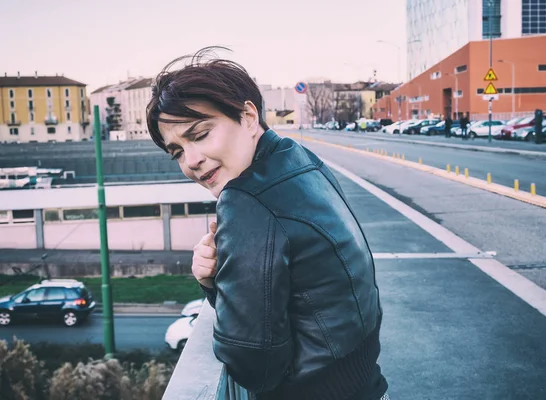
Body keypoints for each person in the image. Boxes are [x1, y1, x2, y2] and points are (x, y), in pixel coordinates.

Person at [146, 48, 388, 400]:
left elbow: (252, 362)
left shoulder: (245, 200)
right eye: (177, 151)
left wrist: (212, 283)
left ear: (247, 115)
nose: (192, 161)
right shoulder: (298, 158)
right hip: (366, 383)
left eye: (199, 135)